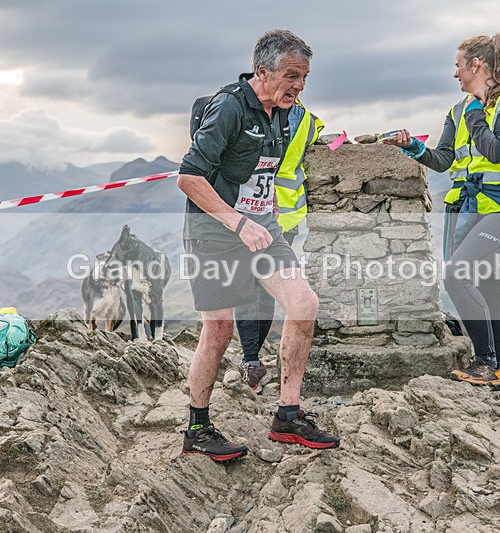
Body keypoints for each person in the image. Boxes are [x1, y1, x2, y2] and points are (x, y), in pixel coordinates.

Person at [177, 29, 339, 461]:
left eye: (304, 77)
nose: (299, 86)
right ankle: (198, 427)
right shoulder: (231, 106)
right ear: (262, 71)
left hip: (264, 229)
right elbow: (189, 176)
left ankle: (288, 414)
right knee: (219, 330)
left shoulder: (285, 111)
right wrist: (237, 222)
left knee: (304, 305)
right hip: (216, 232)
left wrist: (257, 222)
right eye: (291, 75)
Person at [384, 33, 500, 392]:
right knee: (488, 293)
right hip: (469, 209)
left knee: (456, 275)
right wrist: (413, 147)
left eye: (458, 65)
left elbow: (495, 152)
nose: (455, 75)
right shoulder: (458, 110)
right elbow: (445, 159)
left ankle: (486, 363)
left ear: (476, 64)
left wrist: (478, 112)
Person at [235, 99, 323, 393]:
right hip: (288, 216)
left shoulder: (260, 115)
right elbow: (322, 148)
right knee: (271, 290)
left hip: (257, 215)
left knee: (251, 288)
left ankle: (251, 361)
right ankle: (254, 362)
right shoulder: (310, 120)